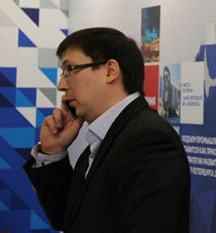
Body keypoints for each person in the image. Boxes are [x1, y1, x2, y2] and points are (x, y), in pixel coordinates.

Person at [23, 27, 190, 232]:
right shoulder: (106, 136)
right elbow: (69, 218)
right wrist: (53, 152)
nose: (61, 85)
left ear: (110, 71)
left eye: (70, 70)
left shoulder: (148, 139)